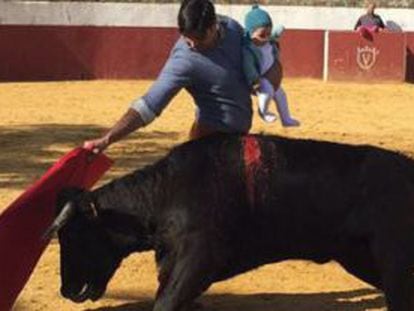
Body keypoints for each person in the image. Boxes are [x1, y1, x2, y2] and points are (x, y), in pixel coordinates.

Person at [85, 0, 281, 153]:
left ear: (214, 26)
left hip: (239, 139)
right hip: (209, 144)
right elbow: (149, 105)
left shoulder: (232, 28)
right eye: (187, 38)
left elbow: (253, 71)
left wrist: (271, 63)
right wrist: (108, 139)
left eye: (199, 39)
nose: (192, 45)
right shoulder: (184, 61)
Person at [243, 5, 299, 127]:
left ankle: (286, 119)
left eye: (268, 34)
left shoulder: (268, 40)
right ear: (250, 33)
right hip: (261, 79)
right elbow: (248, 66)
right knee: (267, 92)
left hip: (273, 79)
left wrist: (279, 30)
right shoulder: (248, 50)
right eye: (262, 35)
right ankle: (263, 112)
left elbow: (274, 34)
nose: (266, 38)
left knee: (281, 95)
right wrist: (254, 80)